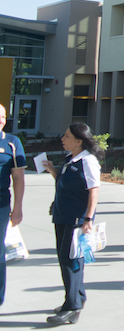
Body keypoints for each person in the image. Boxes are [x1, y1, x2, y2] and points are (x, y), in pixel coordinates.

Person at [41, 123, 102, 325]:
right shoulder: (71, 159)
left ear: (78, 141)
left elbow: (94, 189)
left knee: (70, 261)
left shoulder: (88, 161)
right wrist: (52, 170)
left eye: (66, 136)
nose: (62, 139)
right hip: (62, 215)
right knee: (68, 258)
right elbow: (63, 183)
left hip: (76, 219)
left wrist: (88, 219)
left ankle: (72, 307)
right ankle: (78, 297)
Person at [0, 103, 25, 309]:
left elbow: (18, 178)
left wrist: (17, 208)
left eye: (3, 116)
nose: (1, 120)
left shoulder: (12, 143)